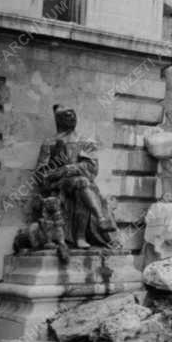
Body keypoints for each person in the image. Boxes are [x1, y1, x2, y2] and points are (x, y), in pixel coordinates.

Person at [34, 105, 116, 249]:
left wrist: (70, 168)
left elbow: (92, 168)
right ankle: (96, 222)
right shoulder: (49, 142)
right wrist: (58, 172)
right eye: (67, 115)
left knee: (82, 183)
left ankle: (84, 235)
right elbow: (40, 173)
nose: (72, 118)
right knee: (82, 183)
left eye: (73, 114)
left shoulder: (86, 141)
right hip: (58, 184)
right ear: (58, 119)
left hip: (80, 182)